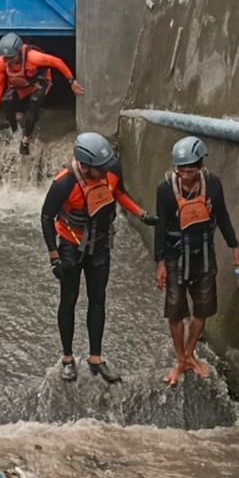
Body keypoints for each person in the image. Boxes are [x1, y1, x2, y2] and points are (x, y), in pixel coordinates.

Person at [40, 132, 154, 384]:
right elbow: (46, 217)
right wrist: (54, 257)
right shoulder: (64, 183)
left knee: (98, 300)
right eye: (98, 168)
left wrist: (141, 214)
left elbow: (118, 194)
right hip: (71, 246)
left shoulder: (110, 171)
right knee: (68, 301)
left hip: (100, 246)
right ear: (83, 164)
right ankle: (67, 359)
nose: (104, 172)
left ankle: (95, 358)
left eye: (105, 167)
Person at [154, 136, 239, 387]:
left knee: (203, 307)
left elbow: (223, 216)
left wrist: (234, 246)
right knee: (175, 310)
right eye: (181, 170)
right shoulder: (165, 190)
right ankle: (180, 358)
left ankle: (190, 353)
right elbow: (160, 227)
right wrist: (160, 262)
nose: (185, 175)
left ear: (200, 165)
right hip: (175, 255)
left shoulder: (213, 185)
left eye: (190, 170)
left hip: (204, 253)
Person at [0, 32, 84, 155]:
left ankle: (25, 138)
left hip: (40, 82)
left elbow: (57, 62)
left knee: (34, 102)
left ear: (18, 53)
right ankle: (15, 130)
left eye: (11, 58)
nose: (8, 62)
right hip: (22, 84)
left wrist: (72, 81)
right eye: (6, 58)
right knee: (7, 100)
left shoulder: (34, 57)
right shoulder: (2, 62)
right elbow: (0, 83)